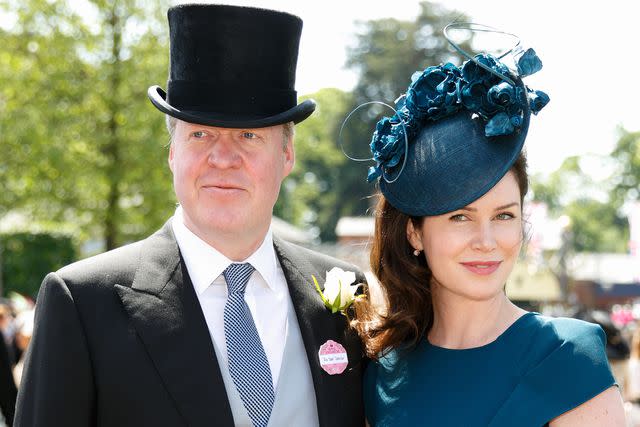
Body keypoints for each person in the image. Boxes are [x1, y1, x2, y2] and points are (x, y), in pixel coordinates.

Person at [15, 5, 366, 427]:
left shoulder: (345, 296)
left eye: (249, 136)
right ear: (172, 153)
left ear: (287, 154)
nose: (223, 158)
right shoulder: (83, 304)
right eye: (200, 133)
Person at [351, 29, 626, 426]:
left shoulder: (568, 358)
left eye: (504, 216)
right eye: (460, 217)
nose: (486, 241)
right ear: (414, 232)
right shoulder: (383, 373)